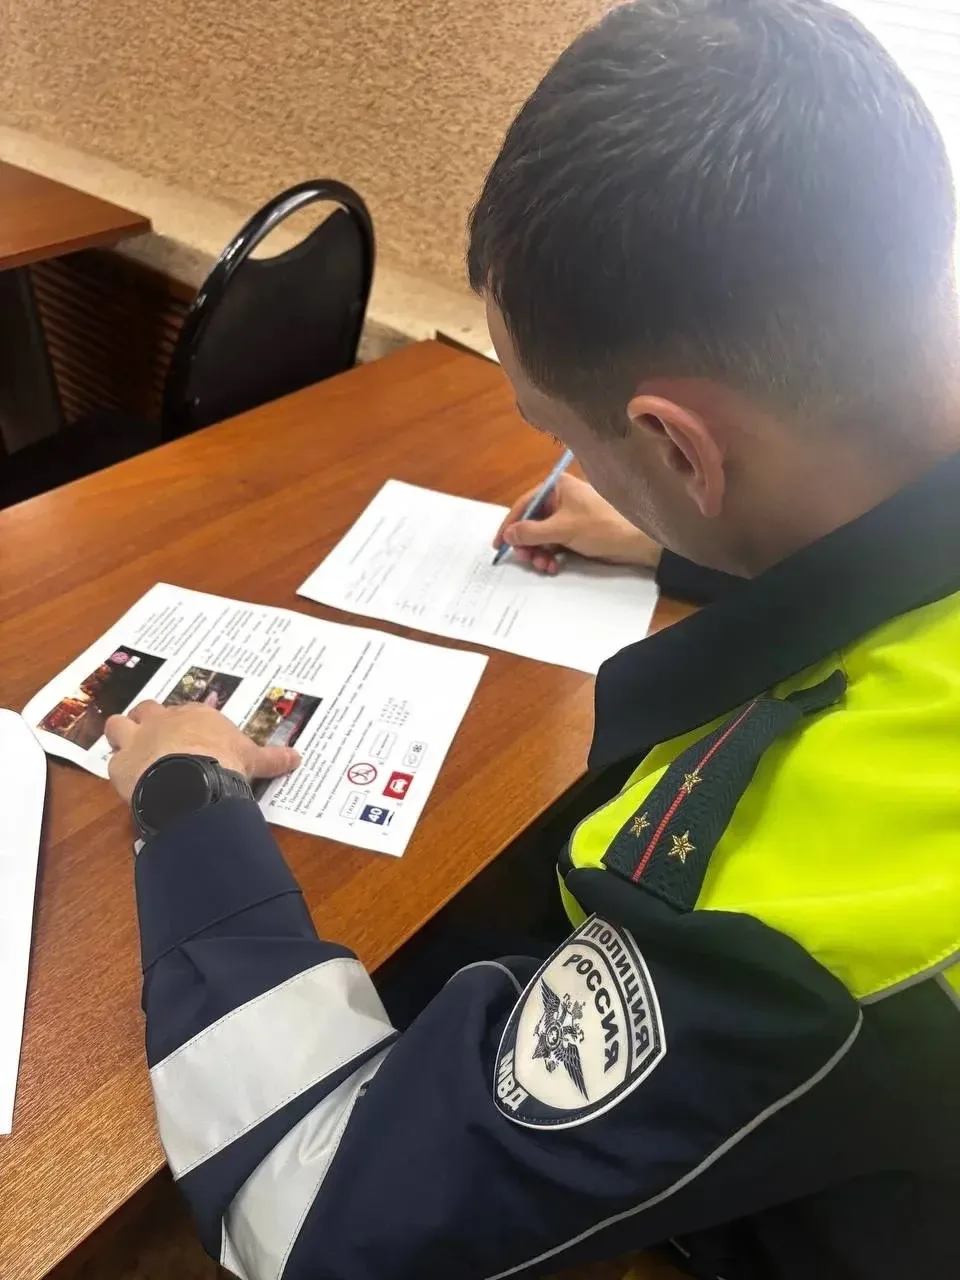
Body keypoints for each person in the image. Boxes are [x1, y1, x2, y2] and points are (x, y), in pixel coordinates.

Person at [103, 2, 960, 1277]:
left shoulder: (804, 899)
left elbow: (313, 1222)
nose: (570, 460)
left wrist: (186, 803)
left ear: (681, 445)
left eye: (561, 428)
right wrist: (680, 540)